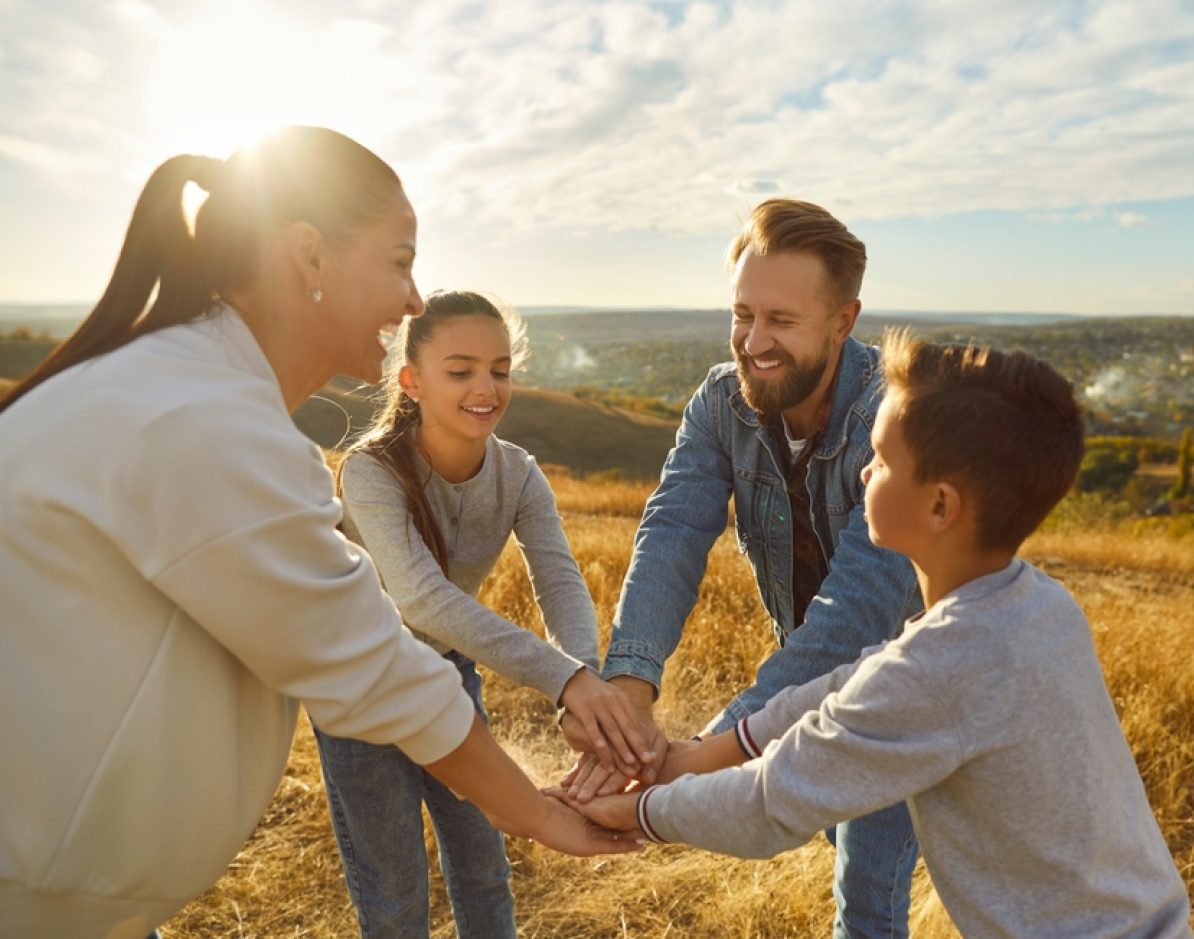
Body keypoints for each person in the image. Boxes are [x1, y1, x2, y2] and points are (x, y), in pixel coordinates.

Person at [0, 127, 637, 939]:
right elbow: (376, 661)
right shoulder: (208, 423)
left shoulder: (186, 388)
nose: (413, 300)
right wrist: (545, 815)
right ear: (309, 259)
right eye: (400, 260)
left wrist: (576, 682)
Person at [561, 331, 1194, 938]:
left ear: (940, 507)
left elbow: (770, 807)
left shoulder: (940, 671)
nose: (864, 473)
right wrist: (708, 752)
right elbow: (861, 676)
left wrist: (637, 812)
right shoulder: (1033, 604)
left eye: (883, 461)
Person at [565, 199, 924, 937]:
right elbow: (673, 530)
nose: (753, 341)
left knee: (869, 892)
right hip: (810, 685)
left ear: (842, 320)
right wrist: (629, 694)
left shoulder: (893, 421)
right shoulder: (721, 402)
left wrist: (707, 751)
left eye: (781, 321)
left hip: (903, 690)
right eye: (741, 314)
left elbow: (857, 612)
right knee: (841, 845)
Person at [316, 290, 650, 937]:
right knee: (394, 893)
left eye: (499, 369)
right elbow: (419, 596)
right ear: (411, 381)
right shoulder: (369, 471)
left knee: (483, 864)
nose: (486, 387)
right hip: (359, 692)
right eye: (461, 369)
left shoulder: (519, 473)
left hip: (447, 679)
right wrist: (562, 677)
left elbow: (557, 576)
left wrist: (582, 680)